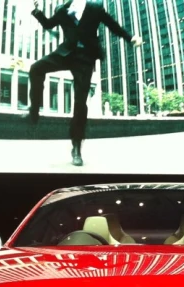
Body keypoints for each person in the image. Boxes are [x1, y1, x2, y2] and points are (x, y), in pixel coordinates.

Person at [27, 0, 142, 166]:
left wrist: (130, 38)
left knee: (80, 103)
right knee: (36, 68)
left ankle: (76, 147)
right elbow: (48, 24)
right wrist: (37, 12)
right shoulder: (62, 9)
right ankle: (34, 111)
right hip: (65, 53)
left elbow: (113, 25)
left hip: (85, 59)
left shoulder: (95, 8)